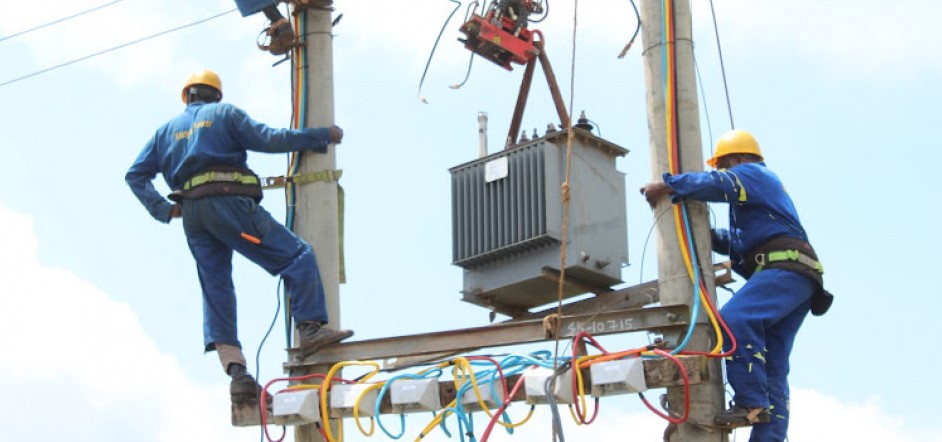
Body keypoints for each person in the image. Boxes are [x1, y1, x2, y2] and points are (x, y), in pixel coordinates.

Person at [126, 69, 353, 403]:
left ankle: (238, 375)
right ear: (216, 95)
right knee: (296, 256)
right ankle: (311, 329)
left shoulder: (165, 132)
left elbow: (135, 175)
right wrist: (321, 135)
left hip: (193, 215)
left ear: (188, 96)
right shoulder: (225, 113)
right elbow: (270, 139)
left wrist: (163, 208)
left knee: (216, 288)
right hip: (229, 203)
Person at [640, 129, 830, 441]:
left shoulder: (755, 175)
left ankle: (750, 402)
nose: (723, 171)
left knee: (734, 320)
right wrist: (706, 235)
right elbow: (741, 243)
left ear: (738, 159)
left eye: (724, 165)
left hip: (785, 270)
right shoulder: (760, 200)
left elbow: (718, 184)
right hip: (798, 276)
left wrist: (668, 184)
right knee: (772, 367)